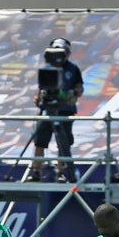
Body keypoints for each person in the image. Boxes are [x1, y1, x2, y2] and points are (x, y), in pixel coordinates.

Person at [27, 37, 84, 183]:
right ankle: (35, 172)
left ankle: (61, 172)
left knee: (63, 143)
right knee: (40, 142)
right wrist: (38, 97)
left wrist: (73, 94)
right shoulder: (47, 67)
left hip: (65, 110)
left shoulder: (73, 68)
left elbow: (79, 87)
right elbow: (40, 87)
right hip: (47, 110)